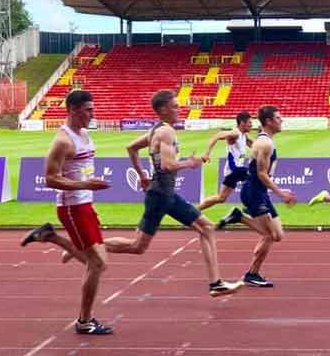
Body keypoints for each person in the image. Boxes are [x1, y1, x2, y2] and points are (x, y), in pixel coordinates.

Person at [72, 90, 244, 296]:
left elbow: (131, 148)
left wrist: (142, 175)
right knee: (137, 246)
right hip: (160, 196)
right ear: (162, 110)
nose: (179, 110)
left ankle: (216, 284)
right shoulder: (166, 132)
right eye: (175, 107)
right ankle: (86, 247)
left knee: (206, 227)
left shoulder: (156, 130)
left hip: (166, 194)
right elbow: (167, 165)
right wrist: (189, 163)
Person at [20, 90, 114, 335]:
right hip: (72, 207)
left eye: (92, 109)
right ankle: (84, 321)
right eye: (88, 110)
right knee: (97, 264)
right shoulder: (62, 141)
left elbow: (81, 168)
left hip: (85, 203)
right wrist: (85, 185)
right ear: (73, 109)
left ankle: (50, 236)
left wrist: (89, 190)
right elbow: (50, 178)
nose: (92, 114)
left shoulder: (84, 134)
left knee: (98, 263)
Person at [218, 106, 296, 288]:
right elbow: (261, 174)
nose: (282, 120)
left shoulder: (265, 141)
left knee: (277, 235)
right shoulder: (265, 144)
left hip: (260, 192)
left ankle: (239, 217)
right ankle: (252, 274)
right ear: (268, 121)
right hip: (253, 192)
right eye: (278, 118)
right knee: (269, 234)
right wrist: (281, 193)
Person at [198, 111, 253, 210]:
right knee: (256, 178)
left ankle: (193, 211)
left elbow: (254, 145)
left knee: (221, 198)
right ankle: (251, 208)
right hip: (235, 169)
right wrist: (206, 153)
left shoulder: (244, 135)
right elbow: (217, 136)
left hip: (233, 171)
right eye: (249, 122)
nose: (251, 125)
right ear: (242, 123)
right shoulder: (235, 133)